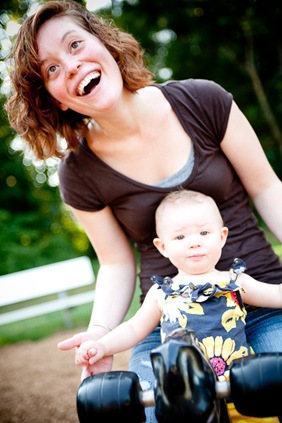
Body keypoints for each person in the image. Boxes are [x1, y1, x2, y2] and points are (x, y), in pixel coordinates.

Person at [4, 1, 282, 422]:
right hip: (166, 326)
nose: (72, 65)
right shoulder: (78, 172)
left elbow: (267, 188)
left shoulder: (203, 101)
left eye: (75, 44)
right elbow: (116, 264)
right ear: (53, 99)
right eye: (52, 69)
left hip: (261, 302)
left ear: (106, 44)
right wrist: (102, 337)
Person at [73, 189, 282, 421]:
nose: (194, 243)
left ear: (221, 236)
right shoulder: (162, 292)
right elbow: (133, 328)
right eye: (180, 237)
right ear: (162, 247)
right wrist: (102, 346)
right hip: (184, 397)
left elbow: (276, 294)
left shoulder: (234, 282)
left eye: (204, 232)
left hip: (242, 386)